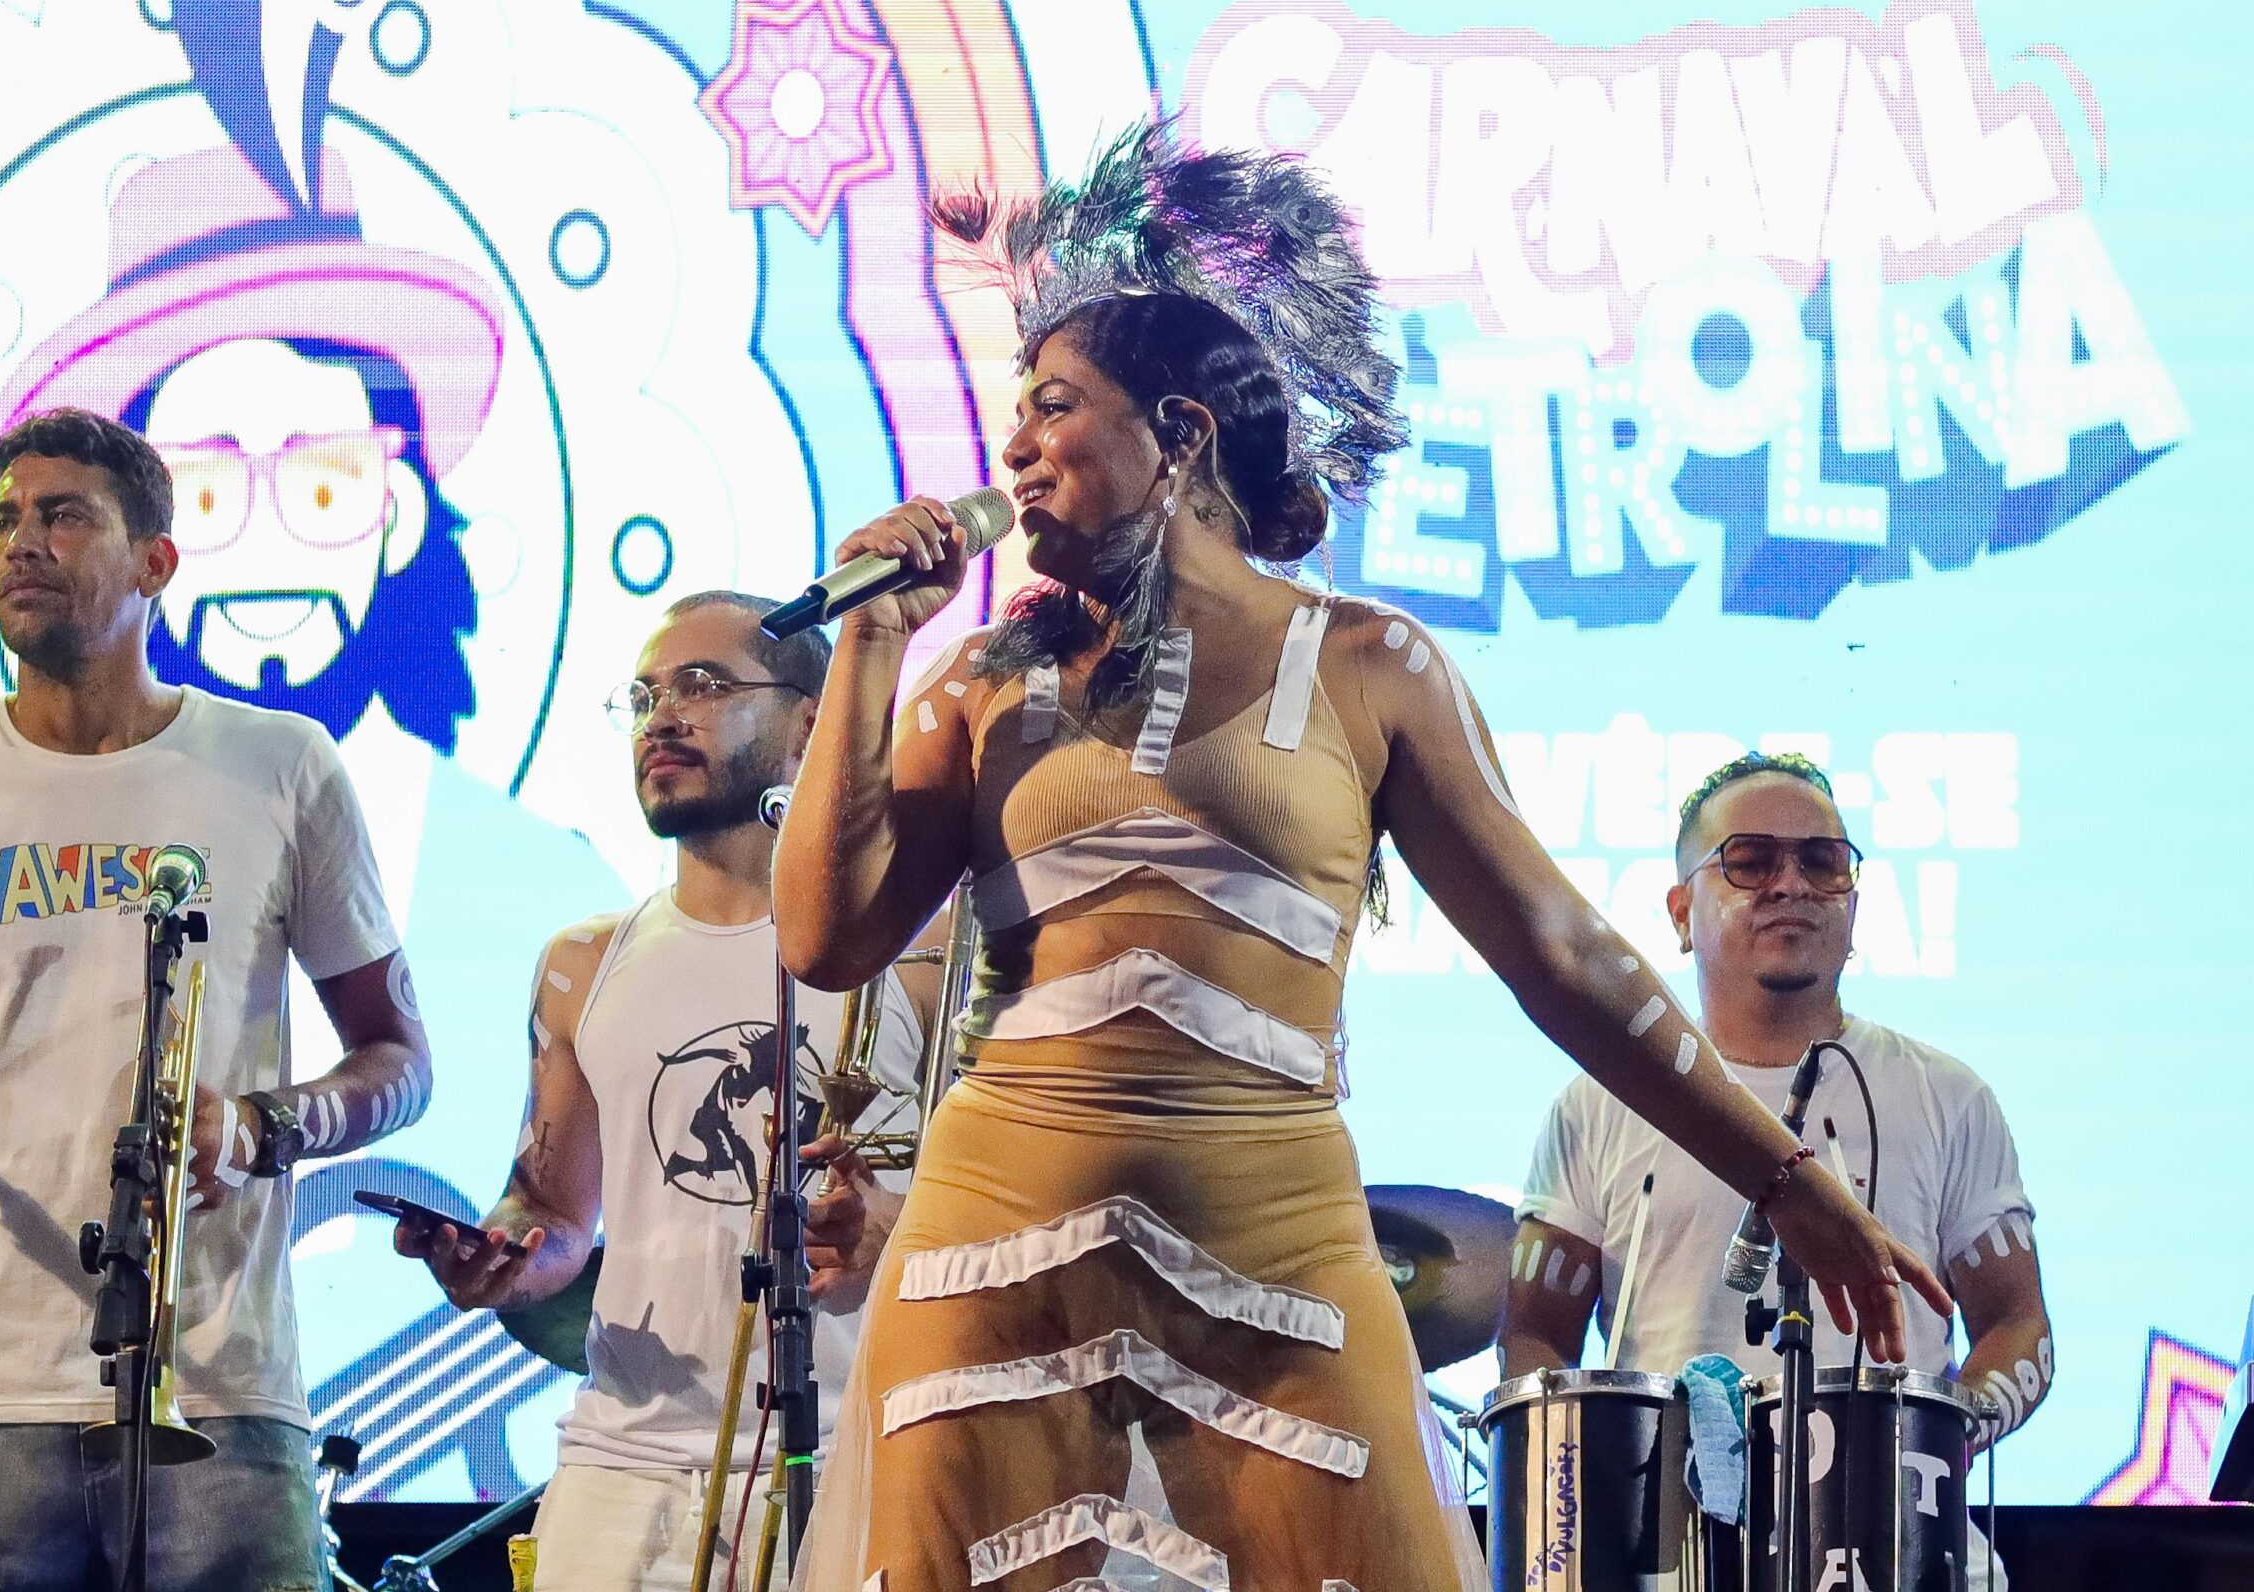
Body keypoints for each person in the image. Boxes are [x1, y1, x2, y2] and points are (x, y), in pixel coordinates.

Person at [770, 124, 1951, 1592]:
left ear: (1182, 434)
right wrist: (878, 635)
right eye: (1012, 417)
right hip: (986, 1264)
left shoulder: (1366, 665)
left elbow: (1564, 958)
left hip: (1282, 1261)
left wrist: (1780, 1175)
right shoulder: (985, 686)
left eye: (1055, 407)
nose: (1012, 450)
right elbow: (825, 938)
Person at [0, 408, 433, 1591]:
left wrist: (268, 1127)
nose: (21, 541)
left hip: (223, 1398)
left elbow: (399, 1059)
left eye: (63, 514)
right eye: (3, 520)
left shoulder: (282, 765)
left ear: (156, 562)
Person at [395, 591, 932, 1591]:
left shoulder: (922, 946)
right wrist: (503, 1257)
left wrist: (899, 1220)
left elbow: (1027, 1194)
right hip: (622, 1466)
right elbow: (555, 1211)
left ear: (813, 717)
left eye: (704, 684)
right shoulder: (584, 961)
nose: (662, 716)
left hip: (864, 1449)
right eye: (644, 694)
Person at [1503, 750, 2050, 1589]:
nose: (1789, 883)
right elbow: (1534, 1335)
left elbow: (2021, 1327)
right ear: (1682, 911)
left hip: (1904, 1562)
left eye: (1821, 862)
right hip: (1669, 1562)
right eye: (1750, 860)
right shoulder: (1596, 1102)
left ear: (1855, 908)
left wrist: (1929, 1443)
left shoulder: (1951, 1096)